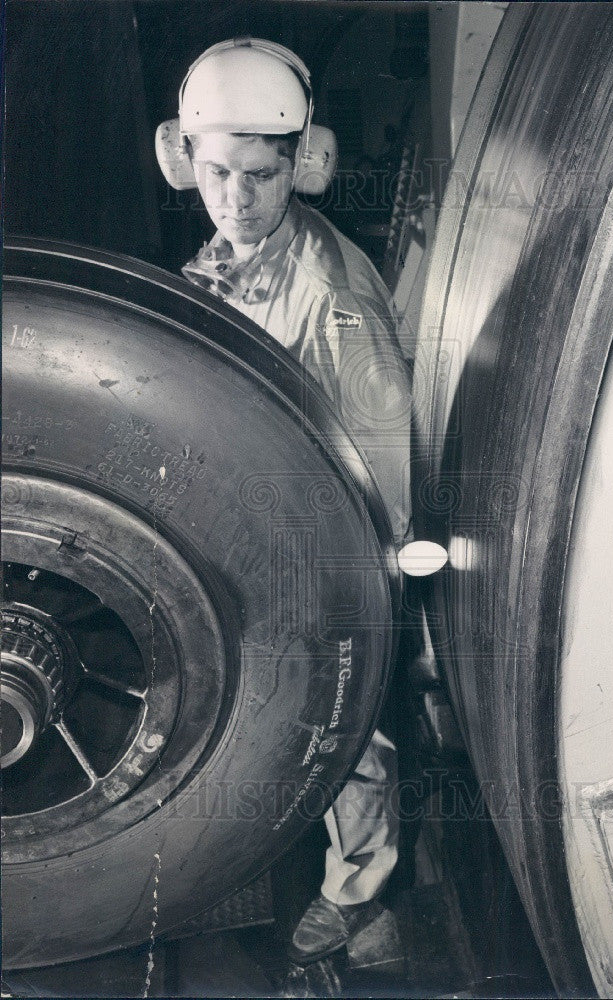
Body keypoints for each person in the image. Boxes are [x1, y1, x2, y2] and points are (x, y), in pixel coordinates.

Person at [156, 38, 411, 966]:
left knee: (352, 729)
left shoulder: (334, 297)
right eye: (218, 173)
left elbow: (387, 467)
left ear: (305, 165)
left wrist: (357, 596)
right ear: (186, 162)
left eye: (261, 176)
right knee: (278, 717)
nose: (236, 199)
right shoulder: (231, 255)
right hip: (260, 529)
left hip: (333, 548)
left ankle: (362, 899)